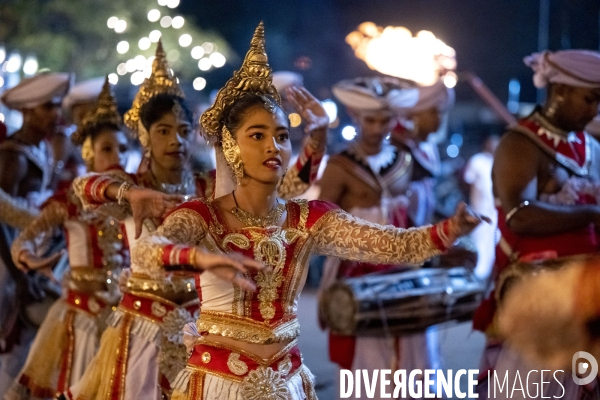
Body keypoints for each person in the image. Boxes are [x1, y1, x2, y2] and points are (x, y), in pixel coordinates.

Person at [132, 22, 486, 400]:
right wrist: (199, 258)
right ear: (231, 148)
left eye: (282, 136)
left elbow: (394, 246)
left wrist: (450, 229)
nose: (274, 146)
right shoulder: (203, 216)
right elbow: (148, 252)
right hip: (217, 385)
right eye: (257, 135)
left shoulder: (309, 218)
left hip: (288, 384)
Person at [472, 49, 600, 399]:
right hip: (540, 298)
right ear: (559, 90)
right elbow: (520, 216)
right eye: (590, 99)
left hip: (588, 297)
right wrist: (591, 215)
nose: (596, 110)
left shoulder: (590, 145)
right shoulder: (520, 144)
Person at [4, 77, 129, 400]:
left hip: (121, 318)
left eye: (123, 149)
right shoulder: (69, 199)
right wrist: (25, 266)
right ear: (87, 153)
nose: (117, 156)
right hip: (76, 314)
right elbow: (17, 235)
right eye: (106, 149)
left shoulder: (136, 198)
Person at [0, 72, 70, 395]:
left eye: (57, 106)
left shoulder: (38, 149)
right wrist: (18, 274)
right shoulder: (12, 155)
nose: (56, 114)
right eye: (48, 107)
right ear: (28, 111)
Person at [463, 135, 500, 281]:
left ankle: (488, 277)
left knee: (492, 244)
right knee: (479, 244)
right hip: (479, 209)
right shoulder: (477, 160)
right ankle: (476, 277)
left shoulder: (498, 162)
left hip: (494, 211)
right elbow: (466, 180)